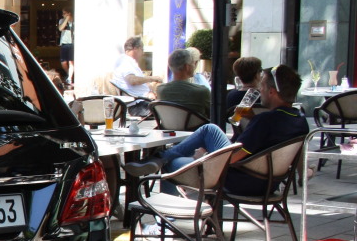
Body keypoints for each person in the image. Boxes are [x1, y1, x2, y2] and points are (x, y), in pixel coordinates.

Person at [126, 63, 307, 196]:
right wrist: (251, 120)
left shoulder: (266, 120)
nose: (259, 89)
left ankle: (166, 217)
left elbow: (233, 157)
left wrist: (206, 157)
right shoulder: (299, 120)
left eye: (262, 86)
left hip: (239, 180)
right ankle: (160, 159)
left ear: (272, 92)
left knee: (176, 159)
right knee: (205, 135)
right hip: (268, 182)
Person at [155, 47, 210, 117]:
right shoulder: (202, 91)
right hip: (196, 127)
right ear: (187, 67)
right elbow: (212, 114)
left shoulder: (160, 90)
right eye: (193, 63)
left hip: (168, 127)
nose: (194, 65)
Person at [57, 9, 74, 84]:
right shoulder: (62, 20)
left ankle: (70, 77)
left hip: (72, 43)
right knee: (63, 62)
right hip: (64, 43)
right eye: (63, 13)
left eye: (65, 13)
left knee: (71, 62)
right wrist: (66, 19)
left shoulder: (74, 21)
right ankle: (69, 74)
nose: (63, 15)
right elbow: (60, 28)